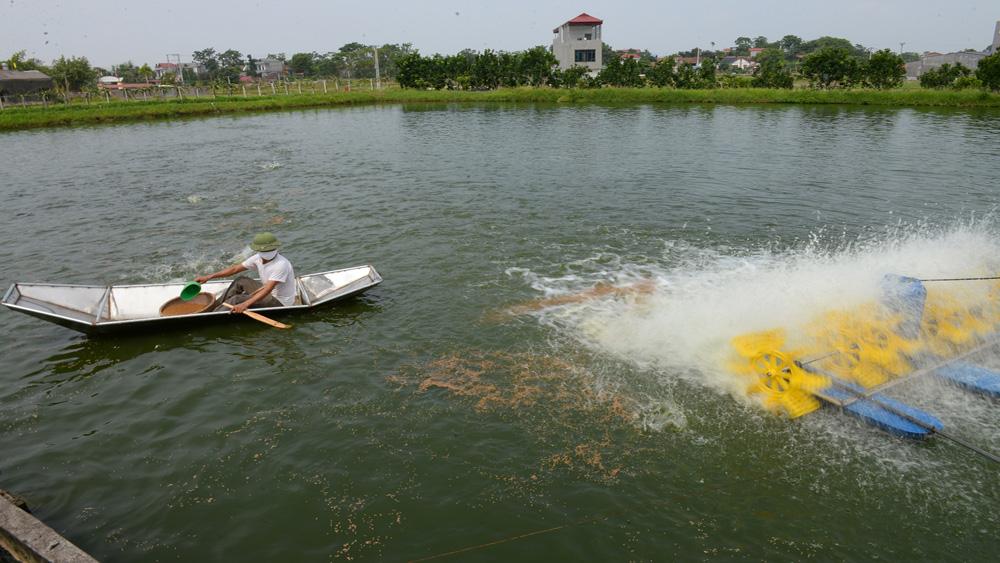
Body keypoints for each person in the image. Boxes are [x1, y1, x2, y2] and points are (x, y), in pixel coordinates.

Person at [195, 232, 296, 314]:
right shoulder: (258, 258)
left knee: (237, 299)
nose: (270, 251)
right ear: (258, 250)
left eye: (272, 249)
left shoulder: (281, 264)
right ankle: (215, 308)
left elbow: (268, 290)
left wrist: (245, 304)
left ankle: (214, 315)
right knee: (241, 280)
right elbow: (234, 269)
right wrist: (209, 277)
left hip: (280, 302)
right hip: (268, 292)